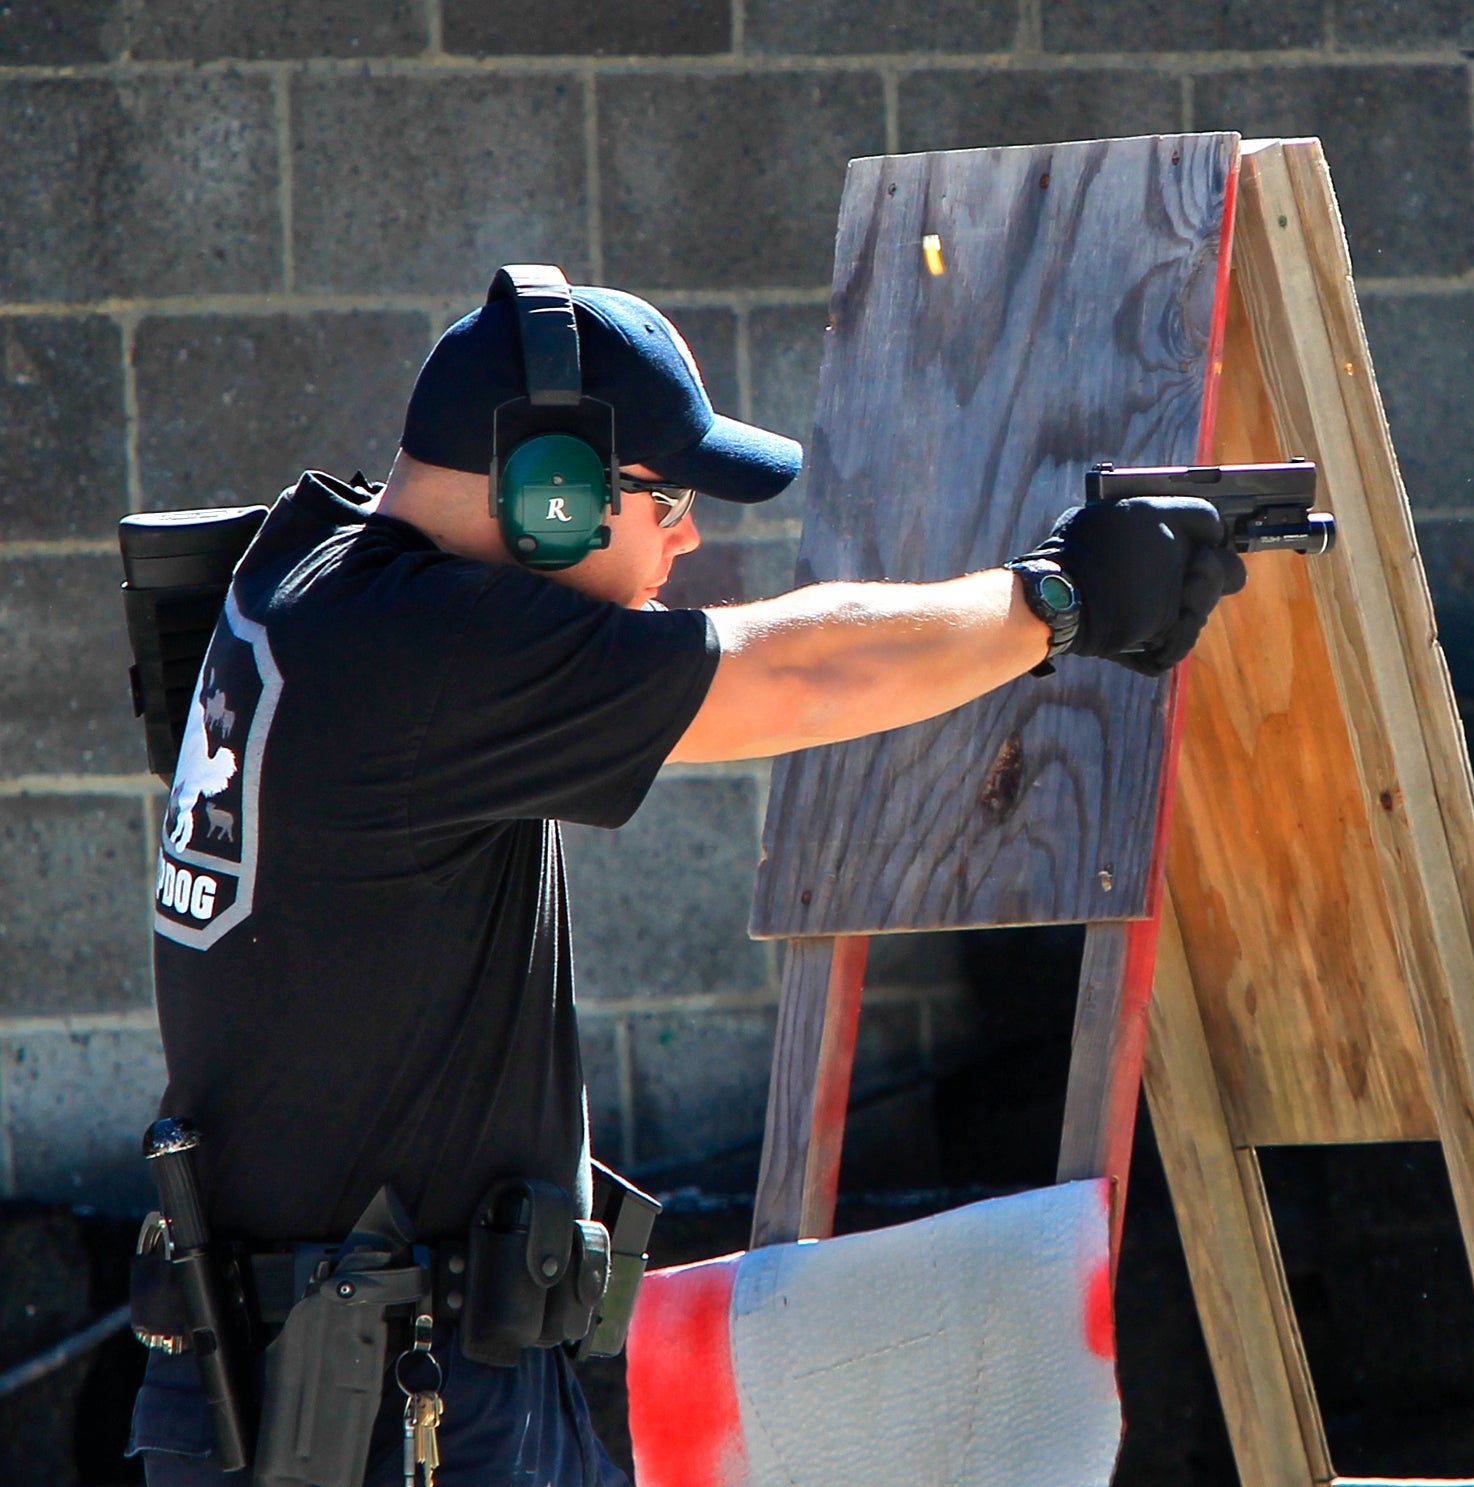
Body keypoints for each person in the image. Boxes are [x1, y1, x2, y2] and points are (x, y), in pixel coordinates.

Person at [126, 270, 1245, 1486]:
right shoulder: (429, 652)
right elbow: (800, 673)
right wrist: (1055, 600)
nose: (688, 535)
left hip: (354, 1371)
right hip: (387, 1400)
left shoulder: (306, 572)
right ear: (548, 493)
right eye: (666, 498)